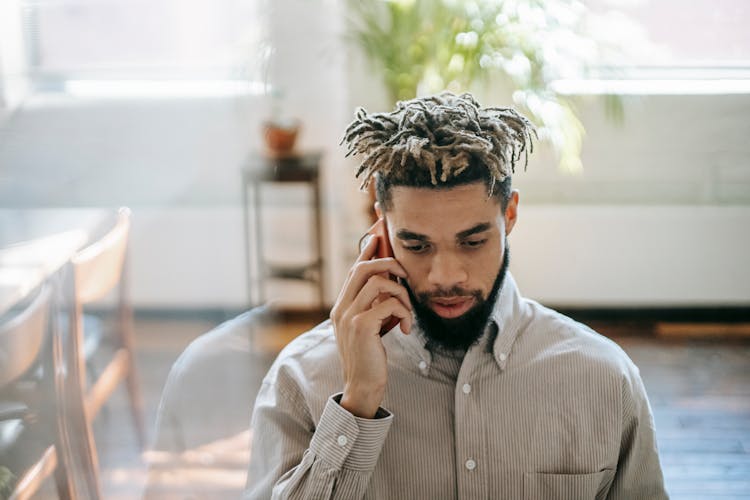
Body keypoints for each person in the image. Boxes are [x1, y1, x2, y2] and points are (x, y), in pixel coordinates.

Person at [244, 92, 667, 499]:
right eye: (416, 245)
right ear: (382, 228)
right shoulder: (302, 379)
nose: (445, 276)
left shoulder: (603, 379)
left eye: (472, 242)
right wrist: (356, 406)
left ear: (510, 215)